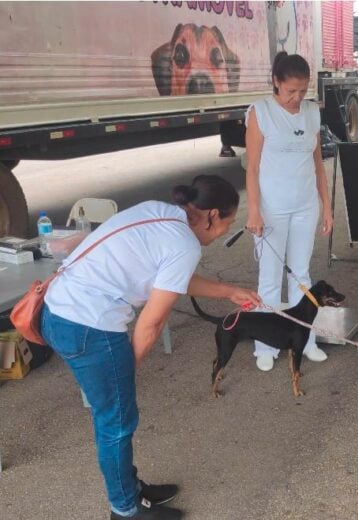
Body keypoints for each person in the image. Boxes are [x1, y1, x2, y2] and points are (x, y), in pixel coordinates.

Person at [41, 175, 261, 519]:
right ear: (212, 215)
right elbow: (151, 323)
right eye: (227, 224)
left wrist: (228, 291)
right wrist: (125, 373)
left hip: (58, 312)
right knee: (115, 422)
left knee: (115, 418)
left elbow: (170, 278)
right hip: (88, 326)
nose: (221, 235)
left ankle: (129, 489)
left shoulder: (160, 212)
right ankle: (125, 510)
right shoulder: (184, 244)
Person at [245, 52, 333, 371]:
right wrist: (254, 210)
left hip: (305, 205)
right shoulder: (261, 112)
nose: (297, 98)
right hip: (272, 209)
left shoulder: (311, 112)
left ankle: (305, 340)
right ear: (276, 82)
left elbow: (317, 163)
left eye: (303, 90)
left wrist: (327, 206)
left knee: (302, 275)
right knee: (269, 278)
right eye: (290, 91)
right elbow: (252, 168)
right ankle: (265, 345)